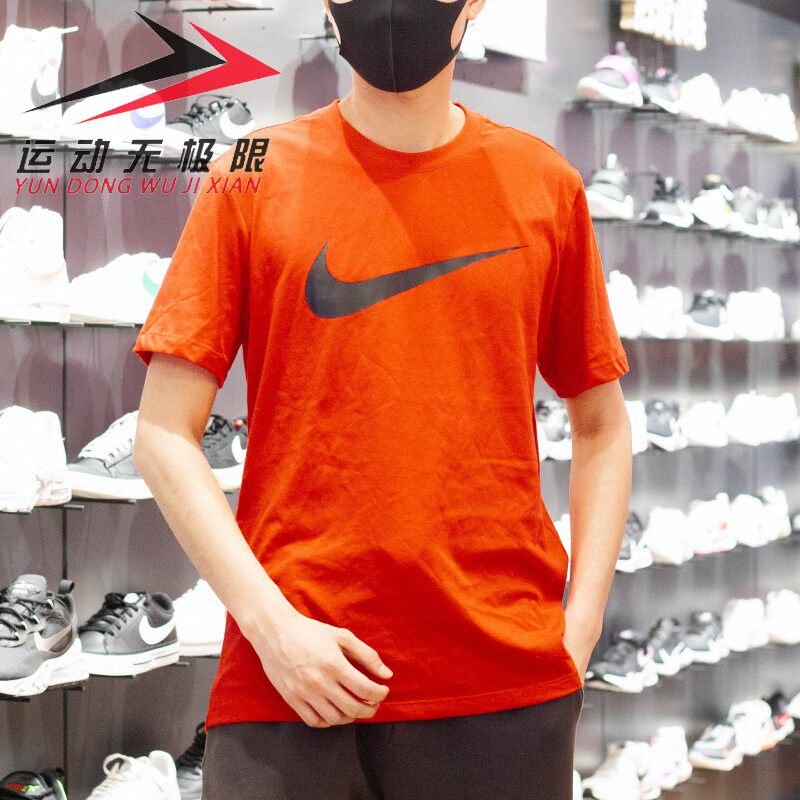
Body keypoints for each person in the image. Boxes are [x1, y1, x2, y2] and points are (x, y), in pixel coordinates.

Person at [133, 1, 632, 797]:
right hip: (293, 680)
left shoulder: (544, 184)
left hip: (505, 682)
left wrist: (582, 626)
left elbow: (602, 425)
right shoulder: (251, 174)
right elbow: (162, 433)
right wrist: (269, 626)